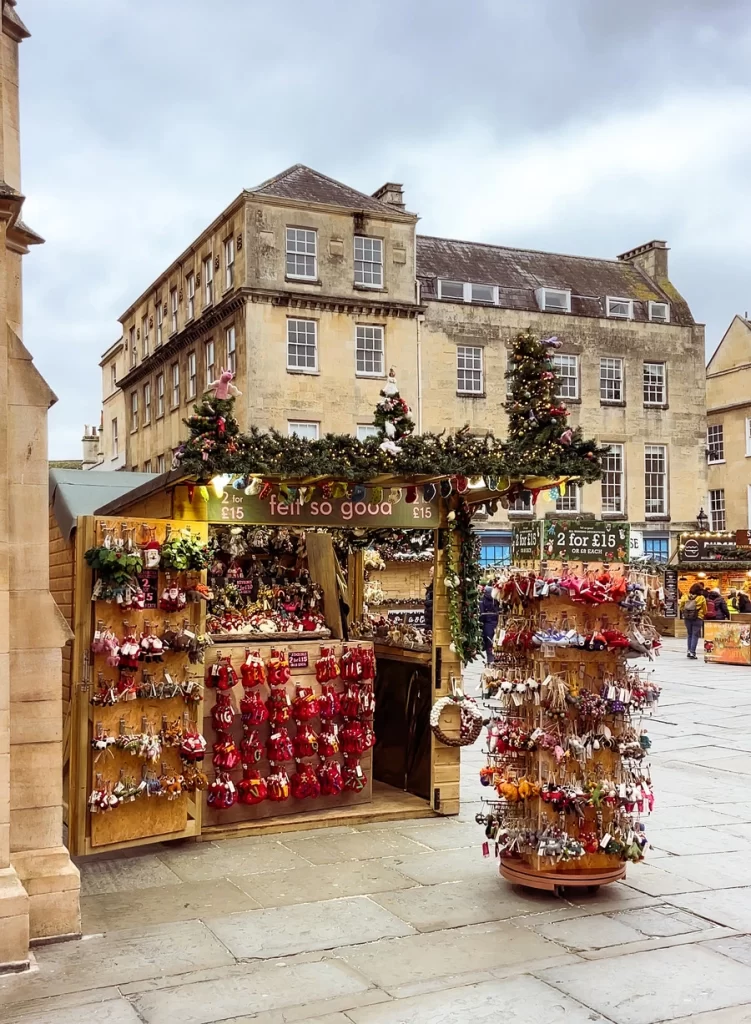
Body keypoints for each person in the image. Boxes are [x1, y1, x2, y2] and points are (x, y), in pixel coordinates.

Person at [679, 582, 707, 659]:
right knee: (695, 635)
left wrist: (685, 613)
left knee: (689, 634)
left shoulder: (685, 597)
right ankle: (692, 652)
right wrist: (702, 614)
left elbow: (681, 606)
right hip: (697, 617)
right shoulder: (701, 598)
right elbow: (705, 609)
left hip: (687, 618)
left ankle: (689, 651)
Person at [479, 583, 500, 665]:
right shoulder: (496, 599)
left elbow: (481, 613)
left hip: (488, 624)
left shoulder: (482, 600)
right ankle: (495, 659)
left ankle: (490, 660)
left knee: (489, 643)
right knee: (496, 641)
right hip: (496, 622)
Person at [424, 566, 434, 630]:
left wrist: (427, 603)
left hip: (431, 611)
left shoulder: (435, 583)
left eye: (431, 571)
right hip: (429, 610)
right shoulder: (432, 583)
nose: (429, 572)